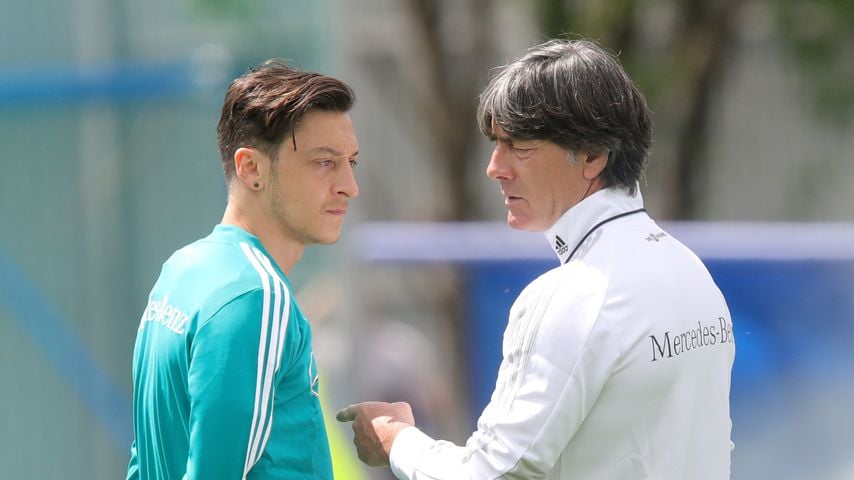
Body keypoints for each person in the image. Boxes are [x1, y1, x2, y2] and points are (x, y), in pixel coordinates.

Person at [337, 38, 735, 479]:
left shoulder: (572, 294)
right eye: (496, 143)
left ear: (593, 155)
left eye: (519, 145)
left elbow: (490, 473)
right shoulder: (690, 271)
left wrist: (396, 440)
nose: (495, 167)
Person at [127, 60, 360, 479]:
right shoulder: (257, 295)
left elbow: (143, 460)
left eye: (351, 162)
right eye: (324, 162)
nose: (348, 185)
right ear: (251, 167)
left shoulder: (180, 271)